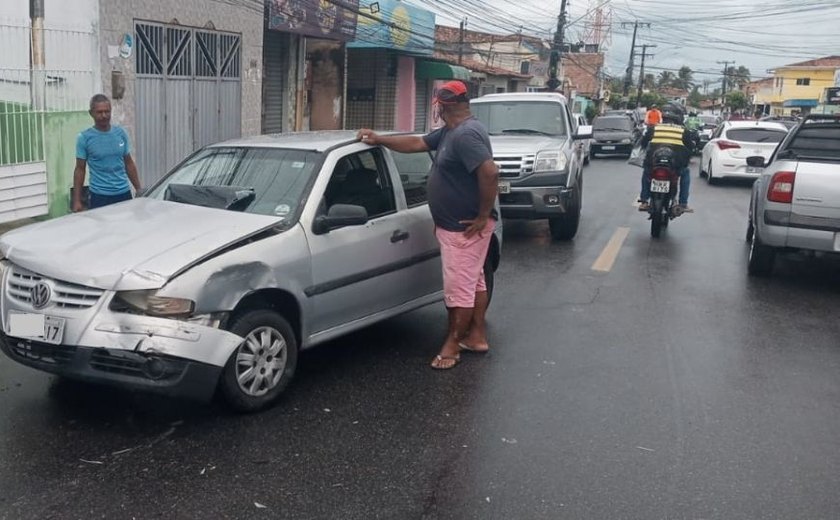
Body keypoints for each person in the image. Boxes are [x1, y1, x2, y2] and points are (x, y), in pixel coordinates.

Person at [356, 80, 499, 370]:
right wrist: (381, 139)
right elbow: (419, 143)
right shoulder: (452, 131)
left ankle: (451, 347)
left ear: (443, 106)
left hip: (464, 227)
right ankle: (476, 336)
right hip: (460, 226)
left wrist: (483, 215)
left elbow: (490, 172)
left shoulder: (465, 135)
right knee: (474, 282)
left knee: (458, 289)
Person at [73, 94, 141, 211]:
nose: (104, 116)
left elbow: (128, 163)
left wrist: (139, 189)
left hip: (123, 194)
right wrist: (77, 200)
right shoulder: (84, 138)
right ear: (91, 113)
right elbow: (80, 169)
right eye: (99, 112)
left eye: (107, 111)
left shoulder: (121, 133)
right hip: (99, 196)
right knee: (102, 229)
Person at [637, 103, 693, 212]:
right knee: (686, 173)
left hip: (654, 164)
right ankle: (683, 203)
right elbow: (690, 148)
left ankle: (644, 200)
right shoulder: (683, 131)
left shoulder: (654, 128)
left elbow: (644, 144)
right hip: (675, 166)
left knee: (646, 172)